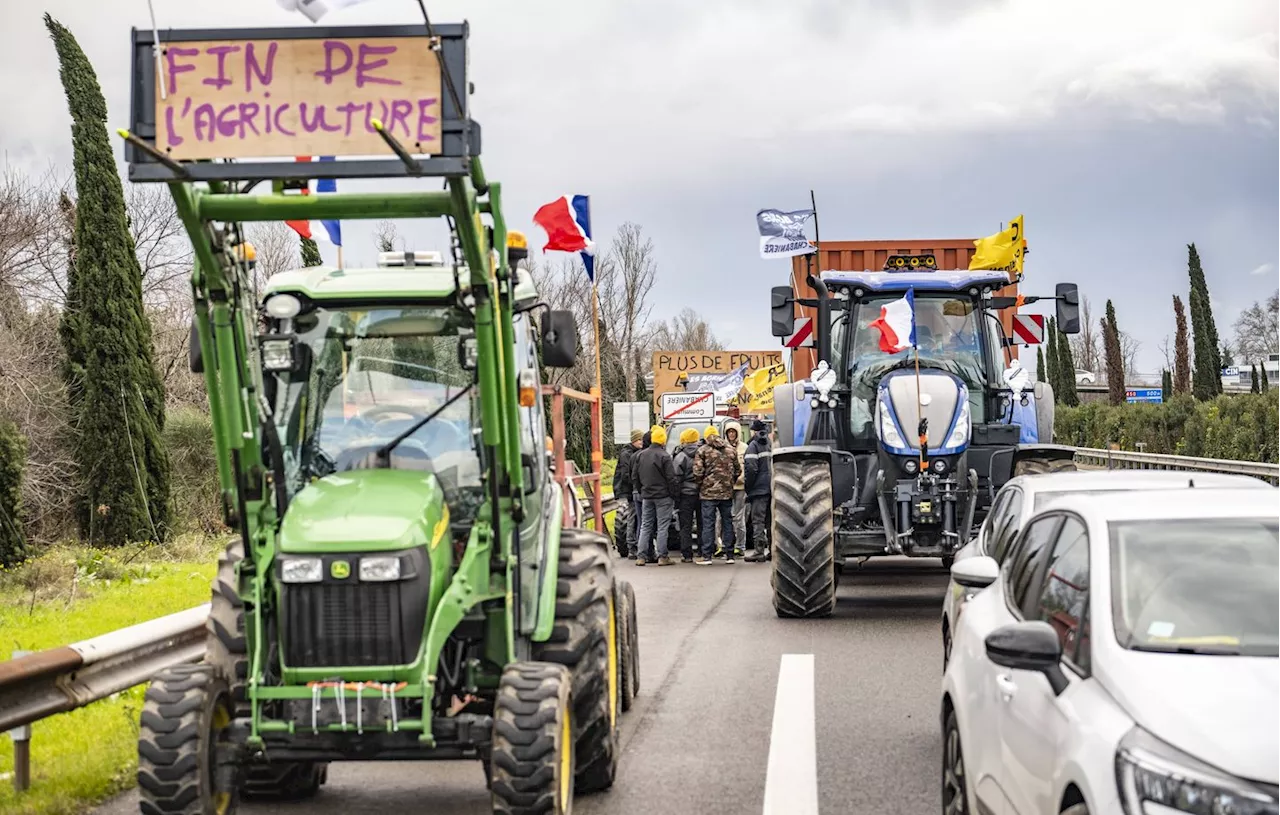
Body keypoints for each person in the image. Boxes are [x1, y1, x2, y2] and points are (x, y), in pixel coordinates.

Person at [693, 425, 740, 564]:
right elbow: (738, 470)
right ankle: (730, 554)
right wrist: (730, 483)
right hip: (726, 493)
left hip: (708, 494)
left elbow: (697, 472)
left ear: (707, 437)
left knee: (708, 524)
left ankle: (707, 555)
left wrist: (702, 485)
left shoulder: (702, 451)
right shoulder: (731, 450)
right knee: (728, 522)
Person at [634, 425, 678, 566]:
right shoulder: (665, 456)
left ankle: (641, 556)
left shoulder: (641, 455)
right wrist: (674, 495)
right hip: (663, 496)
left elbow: (635, 476)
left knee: (645, 525)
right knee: (662, 526)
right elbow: (671, 478)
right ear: (663, 440)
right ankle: (662, 556)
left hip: (647, 496)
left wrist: (642, 491)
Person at [743, 419, 773, 563]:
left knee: (758, 521)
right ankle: (773, 551)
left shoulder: (753, 446)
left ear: (753, 431)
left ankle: (758, 551)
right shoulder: (769, 444)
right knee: (771, 521)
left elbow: (751, 469)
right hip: (772, 488)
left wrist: (748, 487)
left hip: (758, 490)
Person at [672, 428, 703, 563]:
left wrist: (676, 496)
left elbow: (676, 478)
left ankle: (687, 554)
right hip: (702, 493)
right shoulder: (703, 453)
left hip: (685, 494)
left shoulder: (681, 456)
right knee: (703, 523)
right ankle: (703, 551)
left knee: (686, 525)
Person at [613, 429, 643, 557]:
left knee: (635, 516)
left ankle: (633, 544)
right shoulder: (627, 454)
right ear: (634, 440)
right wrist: (638, 484)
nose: (642, 442)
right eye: (639, 440)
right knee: (632, 516)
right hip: (627, 489)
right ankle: (631, 545)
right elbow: (626, 475)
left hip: (631, 488)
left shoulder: (635, 452)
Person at [723, 420, 748, 559]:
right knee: (723, 518)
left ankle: (740, 546)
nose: (731, 434)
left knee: (739, 517)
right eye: (729, 432)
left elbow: (747, 466)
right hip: (726, 487)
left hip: (740, 487)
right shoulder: (723, 448)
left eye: (733, 432)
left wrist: (740, 478)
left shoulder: (745, 448)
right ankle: (724, 545)